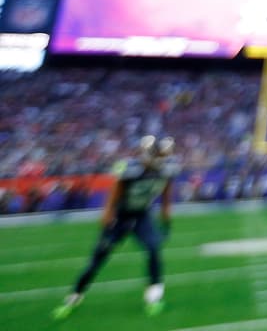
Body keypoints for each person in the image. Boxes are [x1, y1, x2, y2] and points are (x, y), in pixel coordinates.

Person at [53, 135, 177, 319]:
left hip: (142, 215)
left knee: (153, 249)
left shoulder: (166, 169)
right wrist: (108, 215)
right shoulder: (131, 169)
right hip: (121, 216)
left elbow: (166, 194)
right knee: (98, 258)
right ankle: (74, 297)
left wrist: (166, 221)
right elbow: (115, 192)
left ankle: (153, 298)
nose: (159, 159)